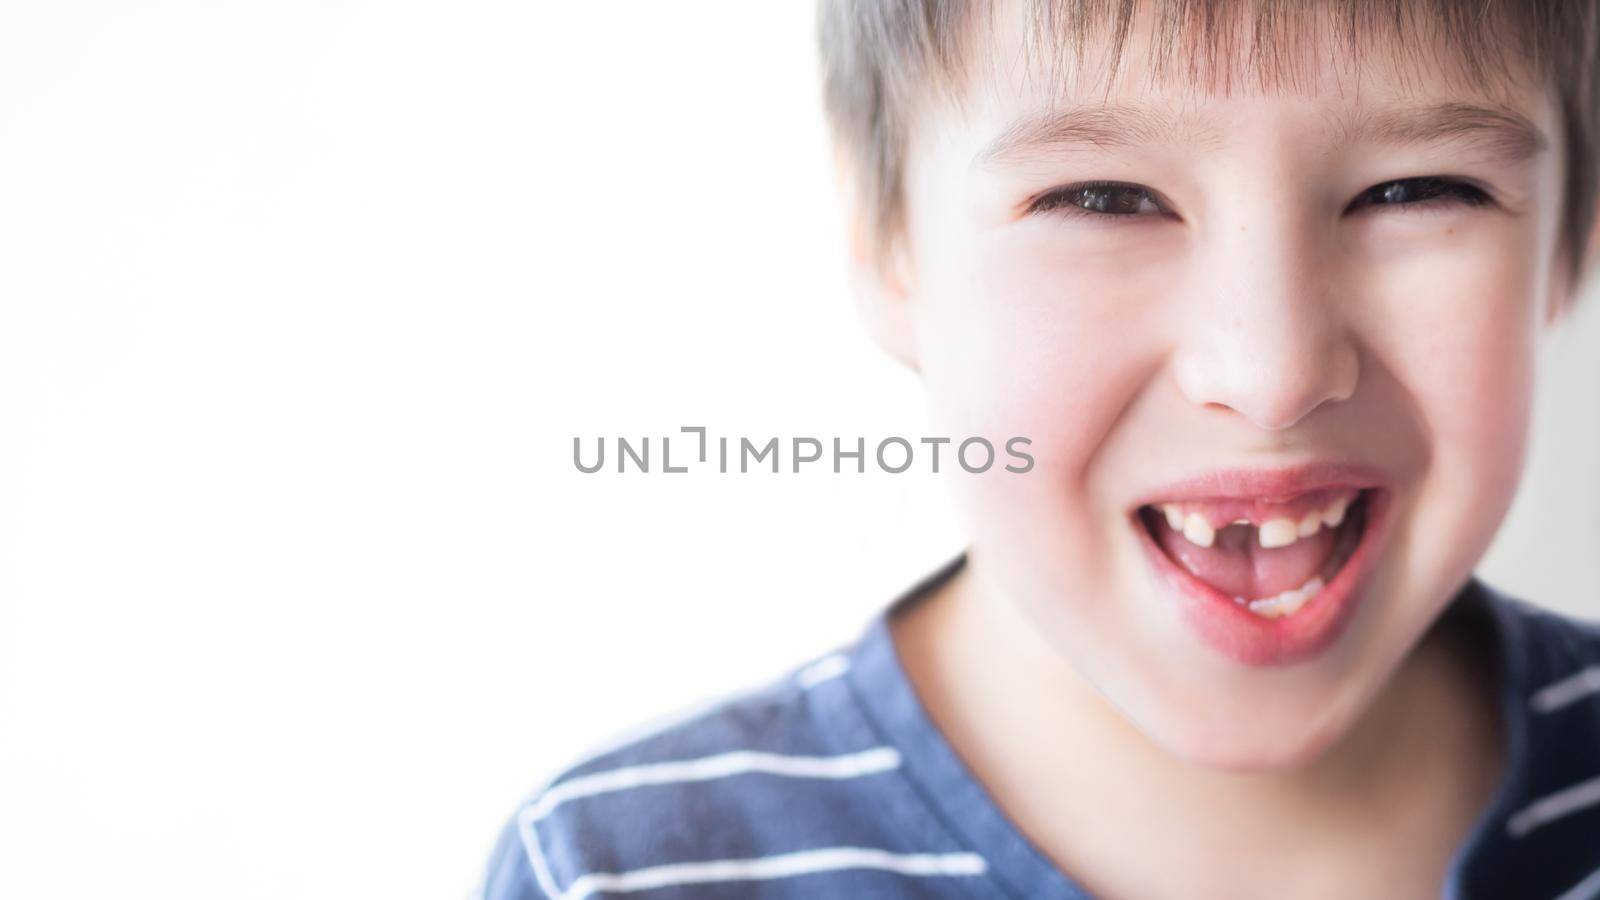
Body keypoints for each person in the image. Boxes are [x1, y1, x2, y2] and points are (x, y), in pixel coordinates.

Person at [481, 1, 1600, 896]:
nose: (1270, 374)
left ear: (1568, 239)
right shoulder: (622, 873)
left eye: (1414, 190)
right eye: (1103, 198)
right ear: (886, 242)